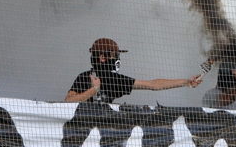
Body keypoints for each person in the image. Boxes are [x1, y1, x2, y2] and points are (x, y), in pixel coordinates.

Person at [66, 38, 202, 103]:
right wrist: (93, 90)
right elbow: (68, 101)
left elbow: (153, 84)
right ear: (102, 57)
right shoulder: (84, 77)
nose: (117, 59)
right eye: (115, 56)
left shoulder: (115, 80)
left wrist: (185, 81)